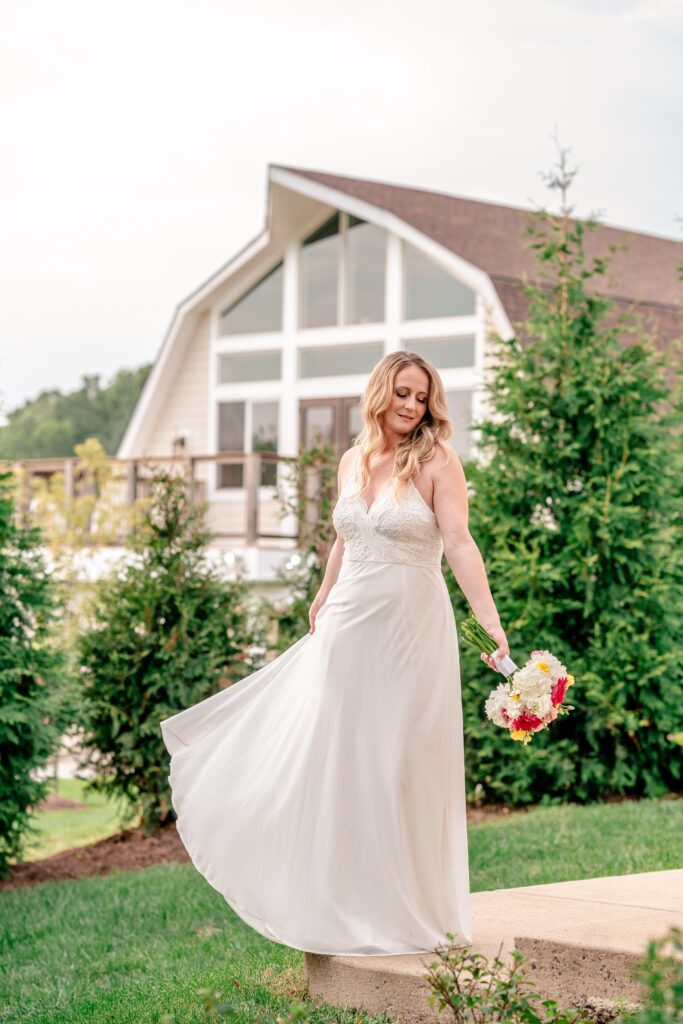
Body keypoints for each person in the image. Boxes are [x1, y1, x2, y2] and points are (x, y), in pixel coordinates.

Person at [160, 351, 509, 957]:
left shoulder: (436, 460)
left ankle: (412, 911)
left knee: (402, 760)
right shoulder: (352, 459)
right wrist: (323, 596)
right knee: (339, 754)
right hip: (349, 622)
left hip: (411, 624)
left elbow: (458, 540)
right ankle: (342, 901)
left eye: (421, 397)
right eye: (402, 392)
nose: (411, 405)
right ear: (380, 392)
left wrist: (490, 622)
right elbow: (346, 538)